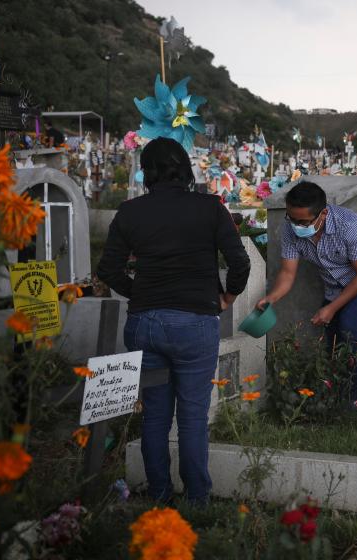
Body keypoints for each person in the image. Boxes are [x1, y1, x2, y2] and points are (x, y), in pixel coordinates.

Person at [97, 137, 250, 504]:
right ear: (185, 168)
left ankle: (160, 497)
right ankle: (197, 500)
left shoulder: (130, 212)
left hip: (145, 324)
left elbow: (108, 269)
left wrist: (141, 294)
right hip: (195, 322)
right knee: (193, 418)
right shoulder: (211, 208)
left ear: (146, 171)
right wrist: (227, 297)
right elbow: (240, 263)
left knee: (154, 416)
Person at [257, 181, 357, 411]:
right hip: (334, 285)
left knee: (349, 326)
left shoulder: (350, 225)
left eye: (303, 222)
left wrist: (331, 308)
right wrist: (271, 298)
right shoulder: (290, 229)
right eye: (292, 219)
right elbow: (288, 273)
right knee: (332, 338)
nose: (297, 226)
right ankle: (337, 390)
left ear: (323, 213)